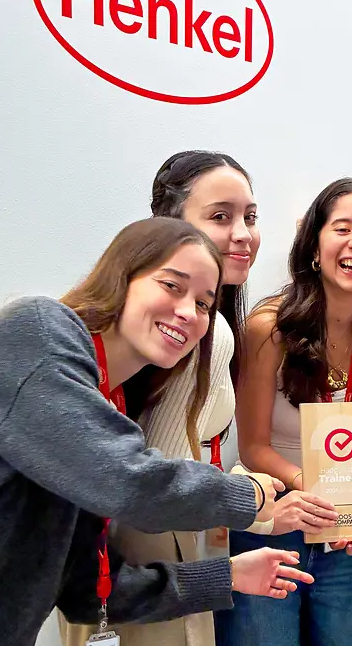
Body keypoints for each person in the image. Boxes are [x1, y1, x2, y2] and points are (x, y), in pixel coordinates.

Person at [0, 217, 309, 646]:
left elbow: (85, 590)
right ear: (122, 276)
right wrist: (252, 495)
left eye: (204, 302)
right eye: (171, 285)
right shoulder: (38, 333)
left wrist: (229, 576)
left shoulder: (107, 401)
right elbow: (131, 482)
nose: (188, 312)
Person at [60, 151, 279, 646]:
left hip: (137, 548)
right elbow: (162, 473)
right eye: (220, 217)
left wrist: (255, 506)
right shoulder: (202, 331)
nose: (242, 234)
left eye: (250, 216)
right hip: (151, 548)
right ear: (168, 227)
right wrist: (253, 501)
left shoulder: (203, 325)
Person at [214, 177, 352, 646]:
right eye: (341, 228)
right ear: (314, 247)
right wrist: (323, 493)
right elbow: (253, 447)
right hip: (273, 521)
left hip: (341, 538)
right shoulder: (269, 327)